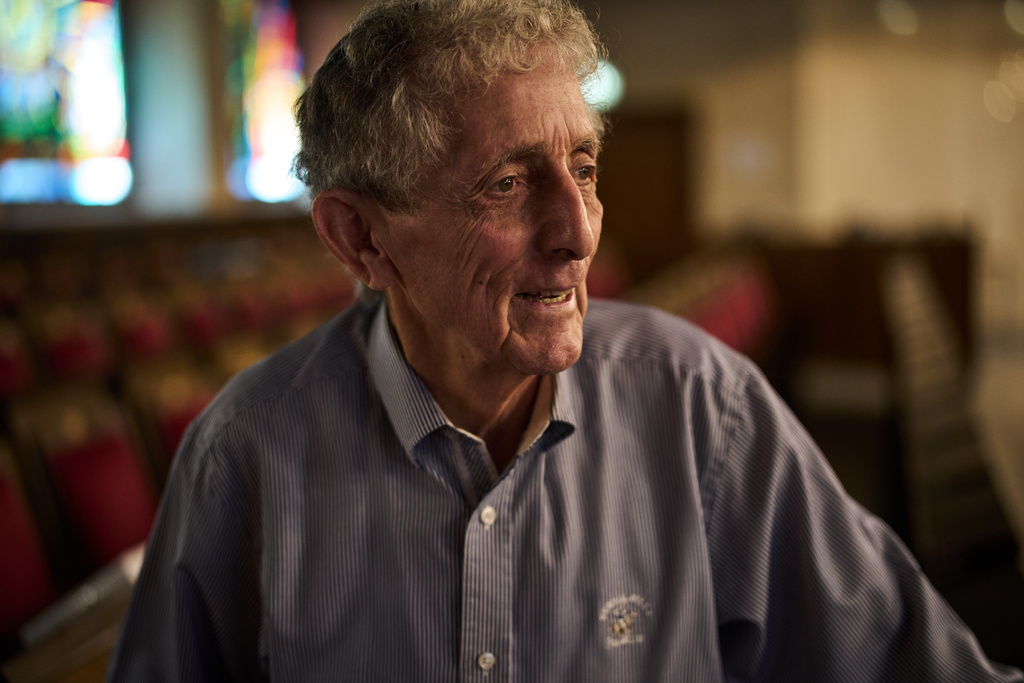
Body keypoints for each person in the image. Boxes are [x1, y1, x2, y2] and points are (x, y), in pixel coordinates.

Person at [107, 0, 1023, 680]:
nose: (579, 230)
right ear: (360, 237)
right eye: (507, 184)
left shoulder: (704, 406)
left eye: (582, 168)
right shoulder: (246, 456)